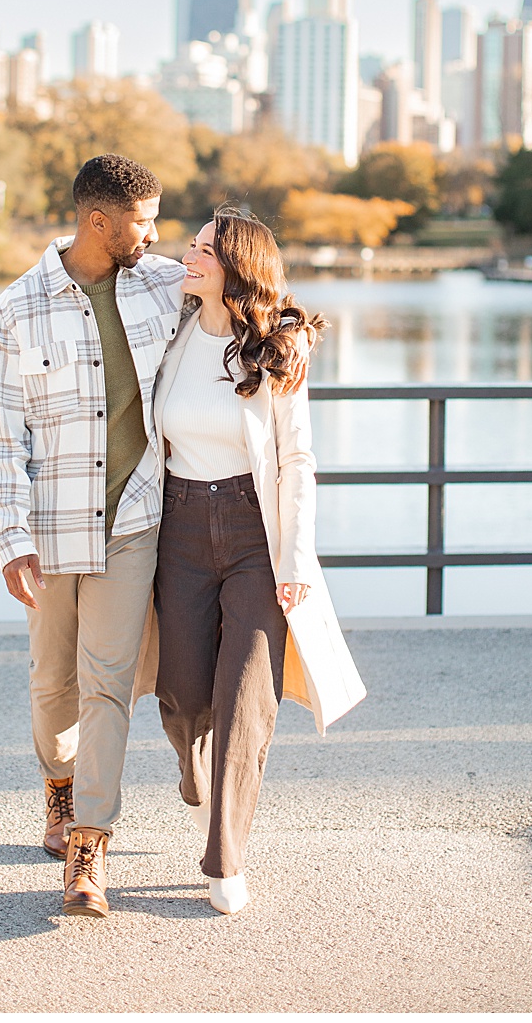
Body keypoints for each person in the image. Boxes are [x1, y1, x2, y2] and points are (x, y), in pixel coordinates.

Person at [0, 153, 186, 918]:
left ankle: (88, 848)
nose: (154, 232)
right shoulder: (16, 309)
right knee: (53, 686)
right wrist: (10, 538)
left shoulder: (166, 284)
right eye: (142, 219)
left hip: (134, 521)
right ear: (98, 221)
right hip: (52, 526)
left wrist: (288, 332)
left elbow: (248, 297)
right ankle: (58, 789)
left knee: (107, 685)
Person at [150, 207, 365, 915]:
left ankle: (225, 859)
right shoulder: (172, 322)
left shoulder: (276, 349)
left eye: (204, 248)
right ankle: (193, 768)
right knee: (182, 693)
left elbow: (297, 459)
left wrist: (295, 556)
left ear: (235, 266)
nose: (189, 253)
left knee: (248, 697)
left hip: (253, 535)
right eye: (191, 244)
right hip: (177, 529)